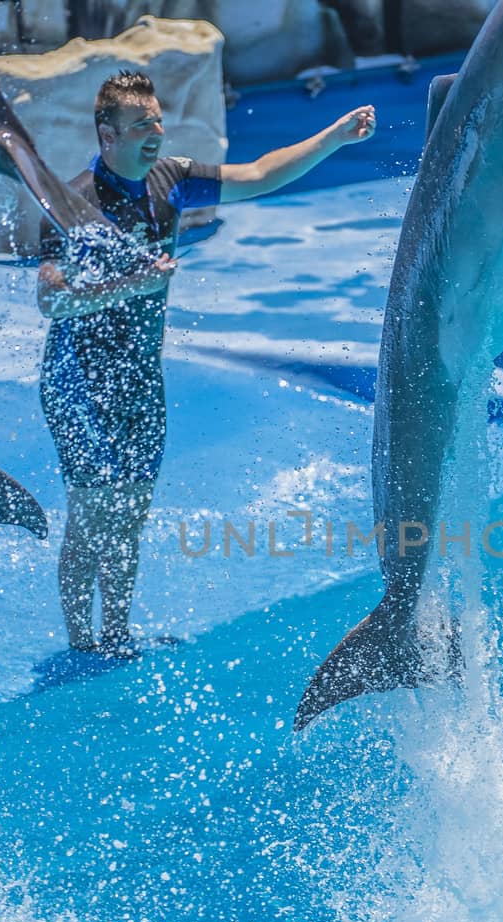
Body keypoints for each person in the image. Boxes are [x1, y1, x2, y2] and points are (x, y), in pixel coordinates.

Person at [38, 69, 376, 654]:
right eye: (141, 124)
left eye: (158, 121)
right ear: (106, 134)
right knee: (92, 515)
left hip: (140, 377)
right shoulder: (73, 207)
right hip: (78, 381)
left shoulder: (172, 181)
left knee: (131, 512)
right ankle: (79, 643)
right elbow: (52, 298)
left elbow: (261, 174)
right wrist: (133, 284)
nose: (156, 133)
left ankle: (115, 634)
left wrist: (333, 138)